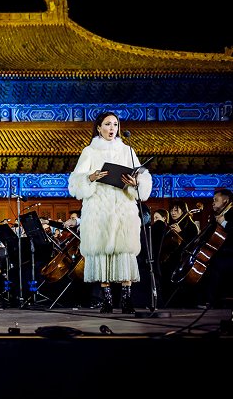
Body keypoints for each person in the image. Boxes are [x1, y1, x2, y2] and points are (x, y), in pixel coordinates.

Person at [67, 111, 152, 314]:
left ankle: (126, 299)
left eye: (115, 124)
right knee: (103, 253)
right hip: (99, 209)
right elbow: (75, 182)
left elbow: (143, 178)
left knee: (124, 254)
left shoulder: (128, 151)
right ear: (99, 127)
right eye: (107, 124)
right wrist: (91, 177)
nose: (112, 128)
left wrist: (136, 183)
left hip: (123, 209)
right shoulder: (89, 151)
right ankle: (106, 300)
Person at [200, 189, 233, 308]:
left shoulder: (230, 213)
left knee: (215, 266)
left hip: (230, 254)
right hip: (221, 253)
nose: (213, 203)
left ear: (225, 200)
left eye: (216, 200)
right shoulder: (217, 215)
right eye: (213, 200)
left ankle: (211, 301)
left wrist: (224, 223)